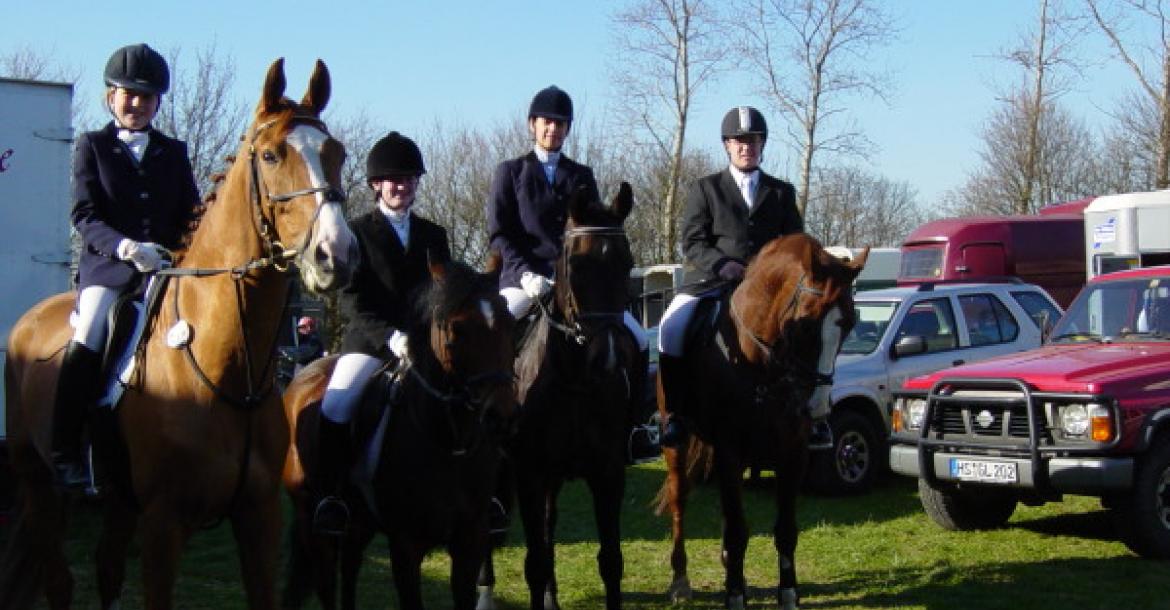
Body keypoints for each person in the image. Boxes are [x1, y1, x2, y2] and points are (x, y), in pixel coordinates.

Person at [53, 43, 201, 488]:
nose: (137, 104)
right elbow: (84, 215)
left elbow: (192, 214)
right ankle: (66, 448)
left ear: (157, 103)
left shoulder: (173, 152)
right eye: (129, 95)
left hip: (165, 269)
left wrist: (181, 250)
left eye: (146, 97)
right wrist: (126, 248)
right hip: (109, 269)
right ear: (110, 97)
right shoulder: (93, 146)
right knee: (91, 329)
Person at [486, 85, 652, 460]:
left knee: (639, 338)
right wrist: (524, 273)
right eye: (547, 122)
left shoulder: (582, 175)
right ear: (532, 125)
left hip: (576, 285)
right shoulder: (511, 172)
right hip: (524, 281)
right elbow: (499, 233)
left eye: (561, 124)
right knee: (497, 331)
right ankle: (495, 425)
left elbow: (591, 232)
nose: (553, 129)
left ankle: (635, 427)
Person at [656, 106, 829, 449]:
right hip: (712, 281)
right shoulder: (705, 188)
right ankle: (674, 414)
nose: (746, 146)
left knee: (813, 330)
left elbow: (795, 243)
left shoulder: (781, 192)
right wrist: (722, 264)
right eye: (739, 141)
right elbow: (692, 241)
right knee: (670, 328)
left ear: (762, 144)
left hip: (769, 293)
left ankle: (813, 414)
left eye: (753, 140)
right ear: (727, 145)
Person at [313, 131, 450, 535]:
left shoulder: (434, 235)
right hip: (371, 344)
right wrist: (390, 336)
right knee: (336, 404)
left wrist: (427, 335)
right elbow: (351, 299)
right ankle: (332, 495)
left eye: (408, 179)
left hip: (425, 344)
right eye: (393, 179)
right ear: (376, 184)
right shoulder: (355, 232)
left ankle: (484, 493)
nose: (401, 186)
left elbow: (445, 293)